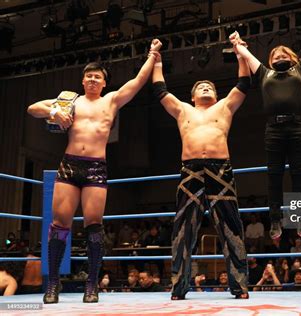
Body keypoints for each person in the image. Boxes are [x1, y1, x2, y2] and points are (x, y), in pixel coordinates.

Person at [27, 39, 162, 304]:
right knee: (59, 224)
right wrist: (54, 111)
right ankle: (53, 284)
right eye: (87, 76)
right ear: (82, 81)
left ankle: (92, 284)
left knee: (94, 225)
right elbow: (32, 109)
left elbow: (137, 82)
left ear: (103, 82)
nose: (91, 79)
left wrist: (152, 55)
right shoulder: (70, 101)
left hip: (95, 168)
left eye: (96, 76)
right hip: (69, 164)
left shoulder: (111, 101)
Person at [151, 36, 251, 300]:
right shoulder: (183, 109)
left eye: (210, 86)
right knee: (183, 227)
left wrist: (241, 55)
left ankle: (239, 285)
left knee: (230, 225)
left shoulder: (225, 106)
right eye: (201, 86)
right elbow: (160, 90)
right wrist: (157, 61)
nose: (206, 88)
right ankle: (179, 286)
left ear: (216, 95)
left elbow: (244, 83)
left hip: (221, 170)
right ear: (193, 96)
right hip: (191, 169)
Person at [230, 24, 301, 240]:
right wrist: (237, 42)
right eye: (275, 55)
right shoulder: (264, 72)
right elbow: (247, 54)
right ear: (270, 61)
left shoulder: (299, 68)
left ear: (291, 57)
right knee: (274, 176)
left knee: (299, 175)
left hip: (297, 127)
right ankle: (275, 218)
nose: (279, 56)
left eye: (283, 53)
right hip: (273, 129)